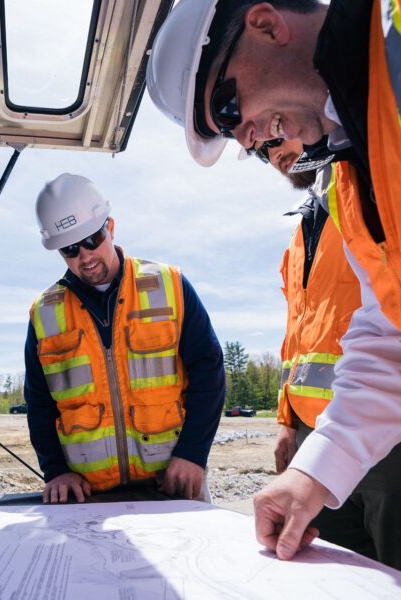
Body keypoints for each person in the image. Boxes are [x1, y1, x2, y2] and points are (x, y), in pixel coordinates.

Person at [146, 0, 401, 561]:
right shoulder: (349, 180)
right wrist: (316, 472)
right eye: (227, 130)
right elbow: (389, 335)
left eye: (226, 106)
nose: (244, 139)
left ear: (265, 23)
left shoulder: (393, 38)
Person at [24, 173, 225, 504]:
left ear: (110, 227)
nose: (85, 256)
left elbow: (209, 372)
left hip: (173, 482)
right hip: (88, 495)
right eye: (70, 249)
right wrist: (56, 470)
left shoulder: (170, 286)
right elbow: (39, 403)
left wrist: (193, 454)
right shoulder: (44, 314)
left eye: (91, 240)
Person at [261, 139, 401, 568]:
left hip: (384, 438)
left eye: (275, 133)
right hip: (314, 438)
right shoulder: (301, 232)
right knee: (337, 572)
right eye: (260, 148)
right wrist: (288, 423)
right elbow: (297, 337)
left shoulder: (370, 201)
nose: (269, 151)